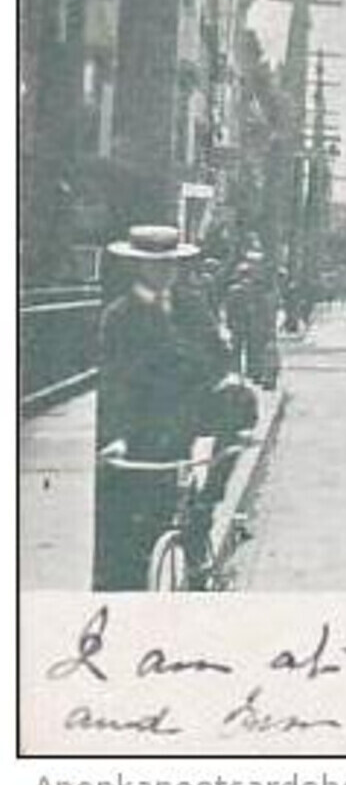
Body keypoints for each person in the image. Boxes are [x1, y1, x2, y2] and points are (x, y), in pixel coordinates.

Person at [94, 225, 233, 591]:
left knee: (241, 407)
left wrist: (226, 376)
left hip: (190, 410)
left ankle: (206, 507)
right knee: (142, 516)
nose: (164, 272)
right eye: (154, 265)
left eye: (170, 264)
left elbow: (219, 356)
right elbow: (115, 380)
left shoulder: (191, 304)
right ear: (138, 267)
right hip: (144, 422)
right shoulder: (120, 316)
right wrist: (117, 436)